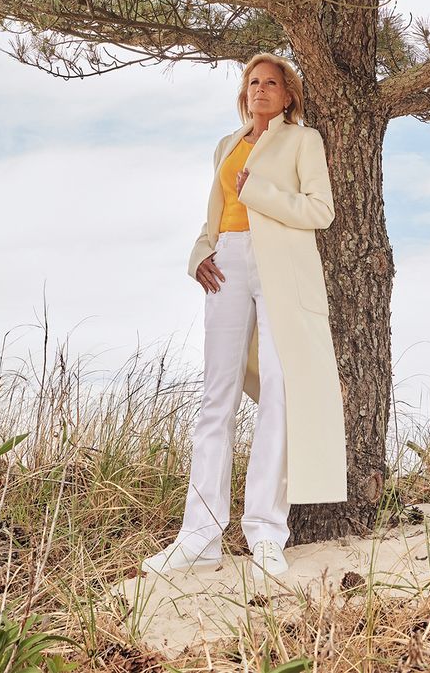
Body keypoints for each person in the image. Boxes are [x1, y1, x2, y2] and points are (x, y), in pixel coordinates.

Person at [142, 52, 347, 591]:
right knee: (217, 396)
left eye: (270, 83)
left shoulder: (304, 141)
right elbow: (214, 216)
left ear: (288, 96)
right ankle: (199, 537)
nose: (260, 89)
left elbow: (319, 211)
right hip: (227, 262)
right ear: (244, 93)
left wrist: (260, 189)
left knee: (279, 391)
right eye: (252, 82)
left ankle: (265, 533)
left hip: (280, 267)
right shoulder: (226, 146)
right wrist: (199, 254)